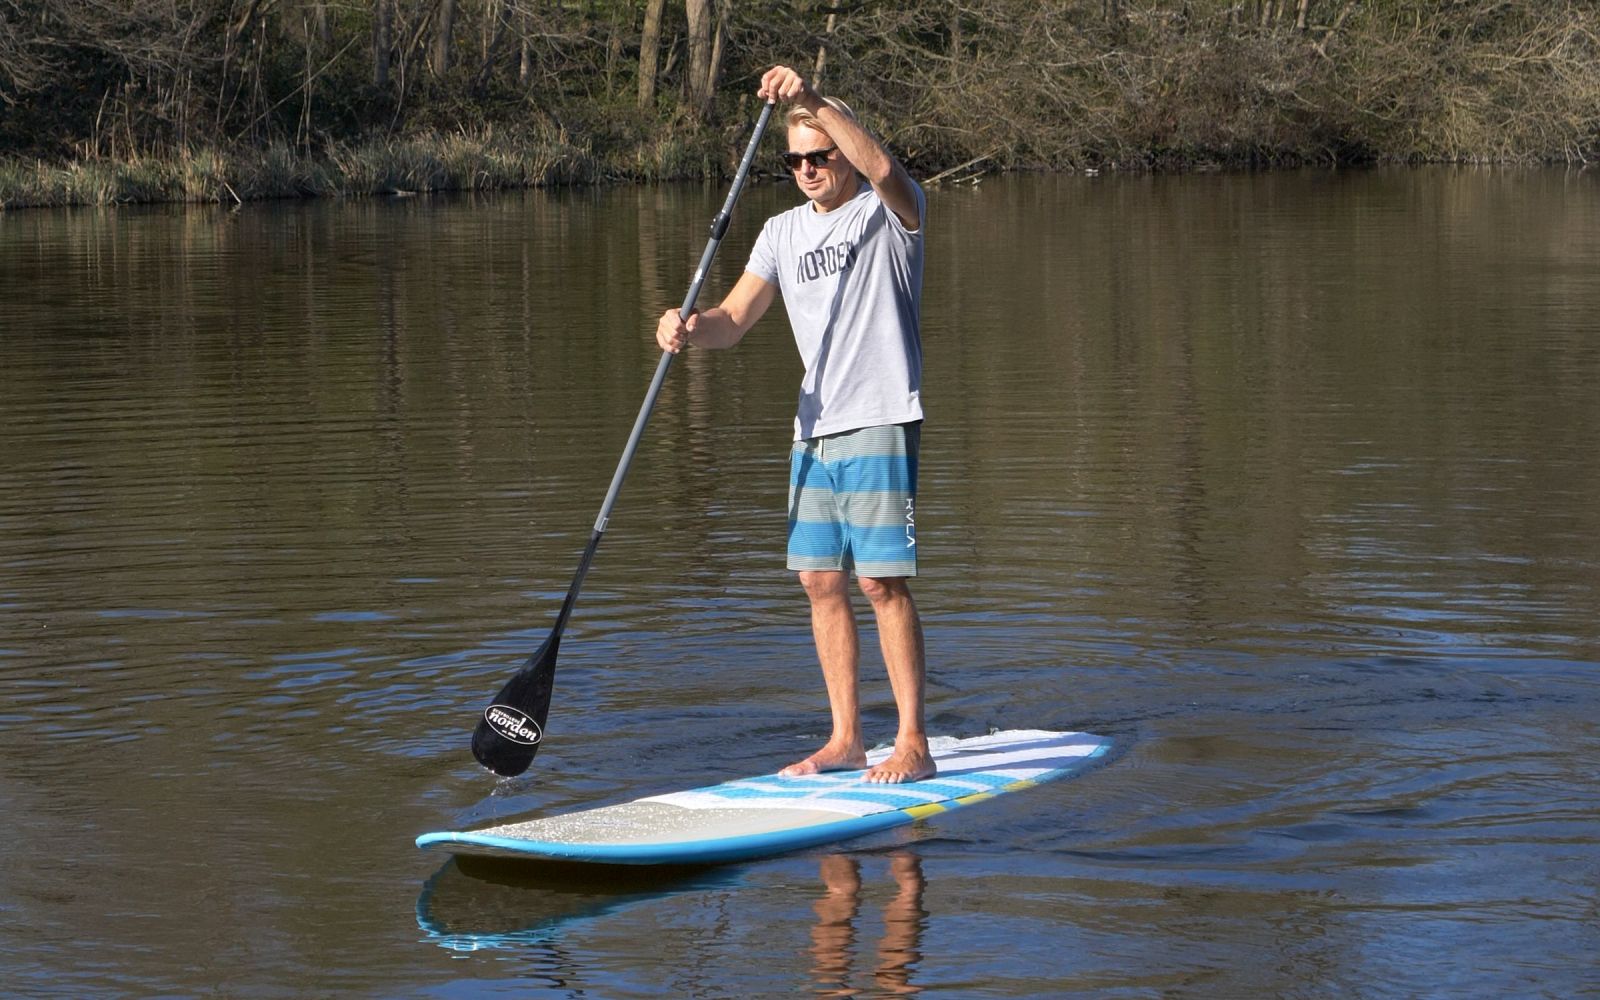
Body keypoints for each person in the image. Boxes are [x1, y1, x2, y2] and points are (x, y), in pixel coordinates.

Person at [655, 65, 934, 784]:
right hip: (814, 428)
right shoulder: (779, 233)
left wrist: (812, 100)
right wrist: (687, 327)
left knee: (880, 584)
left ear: (844, 150)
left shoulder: (889, 212)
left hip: (880, 415)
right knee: (818, 580)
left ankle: (913, 742)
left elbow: (881, 168)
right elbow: (732, 321)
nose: (807, 170)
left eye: (820, 155)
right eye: (795, 160)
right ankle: (846, 740)